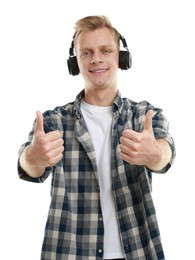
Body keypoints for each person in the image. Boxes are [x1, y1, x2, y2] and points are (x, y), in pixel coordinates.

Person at [18, 15, 176, 260]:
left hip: (136, 250)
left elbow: (165, 154)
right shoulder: (52, 121)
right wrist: (33, 157)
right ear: (75, 63)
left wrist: (156, 153)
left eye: (105, 50)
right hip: (70, 252)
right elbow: (28, 166)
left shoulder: (144, 115)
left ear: (121, 58)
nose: (96, 59)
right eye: (86, 53)